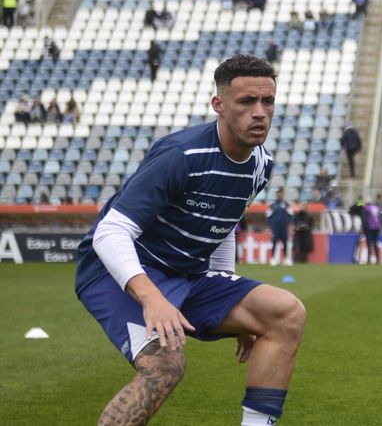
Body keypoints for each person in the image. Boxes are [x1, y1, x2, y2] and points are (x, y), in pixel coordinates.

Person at [74, 54, 305, 425]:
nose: (260, 112)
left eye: (268, 101)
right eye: (247, 101)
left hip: (188, 274)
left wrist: (228, 288)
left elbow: (225, 224)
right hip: (119, 270)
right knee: (165, 365)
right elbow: (111, 231)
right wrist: (151, 299)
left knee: (285, 313)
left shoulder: (262, 163)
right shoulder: (181, 154)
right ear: (219, 105)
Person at [266, 189, 293, 266]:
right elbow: (268, 216)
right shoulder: (272, 206)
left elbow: (291, 215)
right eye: (278, 195)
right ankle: (273, 259)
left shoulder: (287, 205)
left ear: (283, 195)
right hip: (275, 227)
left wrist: (290, 225)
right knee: (274, 242)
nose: (279, 196)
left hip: (284, 227)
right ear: (276, 195)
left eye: (281, 195)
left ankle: (286, 259)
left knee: (285, 243)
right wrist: (269, 227)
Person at [362, 197, 382, 264]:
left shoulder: (366, 209)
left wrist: (363, 229)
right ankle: (378, 260)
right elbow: (380, 218)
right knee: (376, 243)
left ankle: (369, 260)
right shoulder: (376, 208)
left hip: (369, 228)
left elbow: (365, 219)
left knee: (369, 243)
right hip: (377, 228)